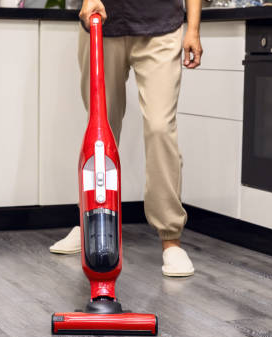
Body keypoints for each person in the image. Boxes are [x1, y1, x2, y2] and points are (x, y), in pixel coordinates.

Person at [50, 0, 203, 277]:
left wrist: (192, 28)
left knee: (160, 128)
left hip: (161, 26)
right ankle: (89, 225)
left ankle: (171, 239)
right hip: (102, 22)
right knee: (100, 129)